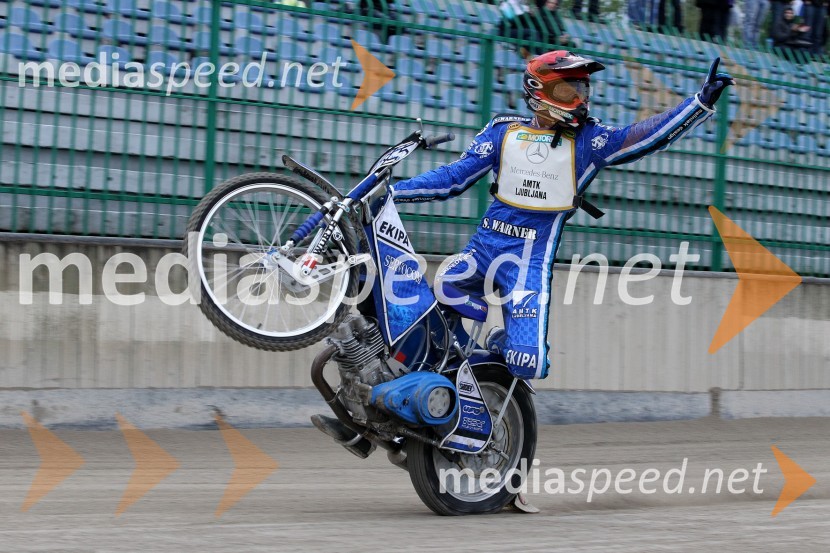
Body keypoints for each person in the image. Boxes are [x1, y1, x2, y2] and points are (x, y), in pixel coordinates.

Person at [391, 51, 734, 380]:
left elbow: (645, 136)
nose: (580, 99)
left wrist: (698, 104)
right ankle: (456, 361)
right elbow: (453, 177)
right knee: (441, 288)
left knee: (528, 363)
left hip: (529, 264)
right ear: (537, 90)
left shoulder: (590, 141)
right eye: (568, 89)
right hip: (481, 251)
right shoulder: (502, 131)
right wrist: (392, 192)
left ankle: (498, 351)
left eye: (582, 89)